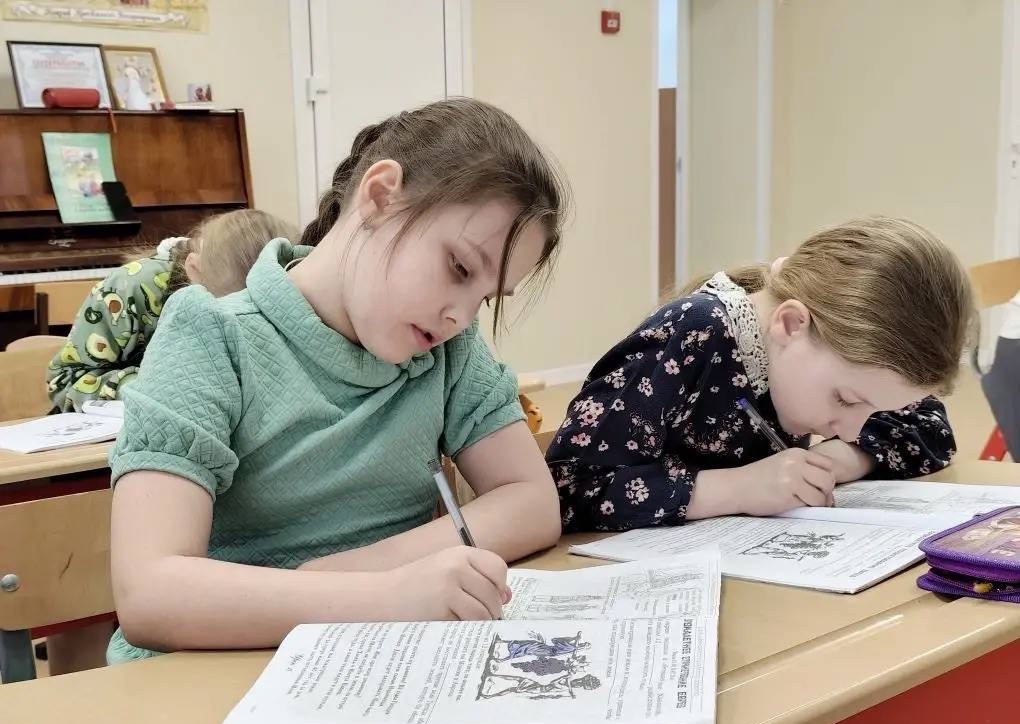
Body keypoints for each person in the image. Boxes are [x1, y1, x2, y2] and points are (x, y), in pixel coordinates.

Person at [106, 97, 568, 663]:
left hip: (374, 661)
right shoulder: (210, 335)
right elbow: (149, 593)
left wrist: (369, 571)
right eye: (459, 268)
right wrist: (387, 594)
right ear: (380, 196)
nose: (460, 316)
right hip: (213, 672)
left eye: (485, 298)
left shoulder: (450, 348)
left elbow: (533, 502)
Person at [547, 217, 974, 531]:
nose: (850, 428)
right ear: (791, 324)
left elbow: (930, 426)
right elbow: (568, 488)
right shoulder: (695, 331)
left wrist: (835, 460)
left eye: (872, 410)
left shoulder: (838, 365)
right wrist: (737, 488)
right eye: (845, 399)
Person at [47, 209, 299, 413]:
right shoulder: (133, 287)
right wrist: (153, 386)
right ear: (194, 271)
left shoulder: (292, 284)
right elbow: (64, 380)